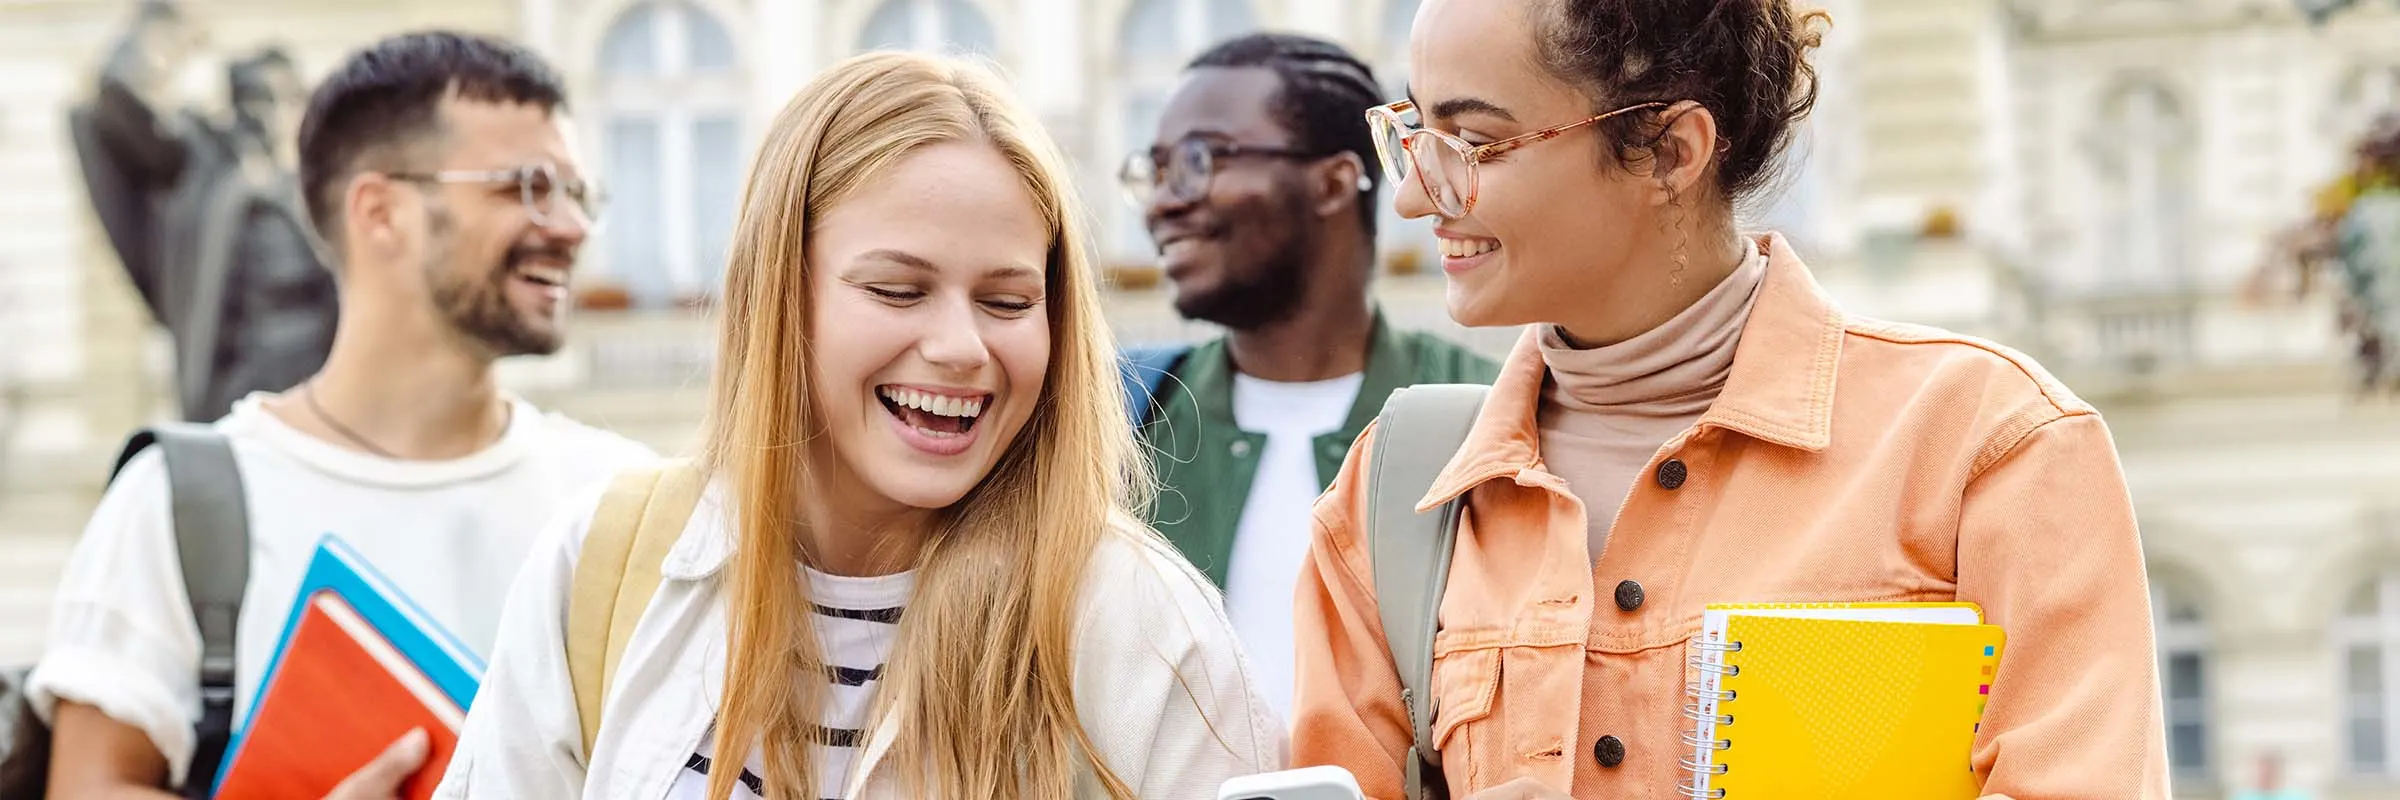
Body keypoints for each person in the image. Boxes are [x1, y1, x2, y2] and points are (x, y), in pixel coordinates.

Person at [1288, 1, 2171, 798]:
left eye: (1472, 144)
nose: (1410, 196)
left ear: (1672, 151)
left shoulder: (1991, 446)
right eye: (1410, 135)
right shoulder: (1392, 497)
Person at [435, 51, 1282, 799]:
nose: (961, 347)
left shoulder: (1146, 629)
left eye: (1008, 301)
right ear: (779, 295)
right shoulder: (607, 561)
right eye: (897, 290)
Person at [31, 30, 655, 798]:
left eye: (578, 193)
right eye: (524, 187)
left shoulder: (624, 499)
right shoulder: (179, 502)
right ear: (381, 211)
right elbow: (89, 786)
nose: (570, 227)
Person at [1119, 32, 1498, 722]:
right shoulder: (1121, 420)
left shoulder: (1491, 416)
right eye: (1156, 168)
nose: (1161, 202)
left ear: (1331, 181)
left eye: (1200, 160)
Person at [69, 1, 339, 423]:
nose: (277, 114)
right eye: (261, 99)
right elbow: (116, 101)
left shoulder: (328, 194)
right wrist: (162, 33)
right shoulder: (203, 174)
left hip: (322, 408)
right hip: (233, 409)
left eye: (290, 98)